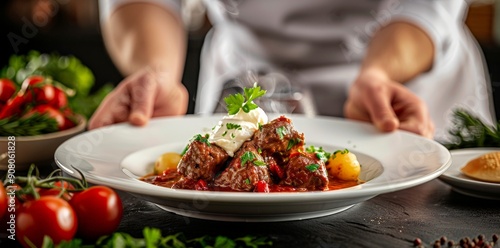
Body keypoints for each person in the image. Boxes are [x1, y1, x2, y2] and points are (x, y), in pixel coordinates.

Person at [90, 0, 495, 142]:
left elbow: (427, 5)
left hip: (401, 76)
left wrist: (377, 75)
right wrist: (157, 71)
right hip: (245, 75)